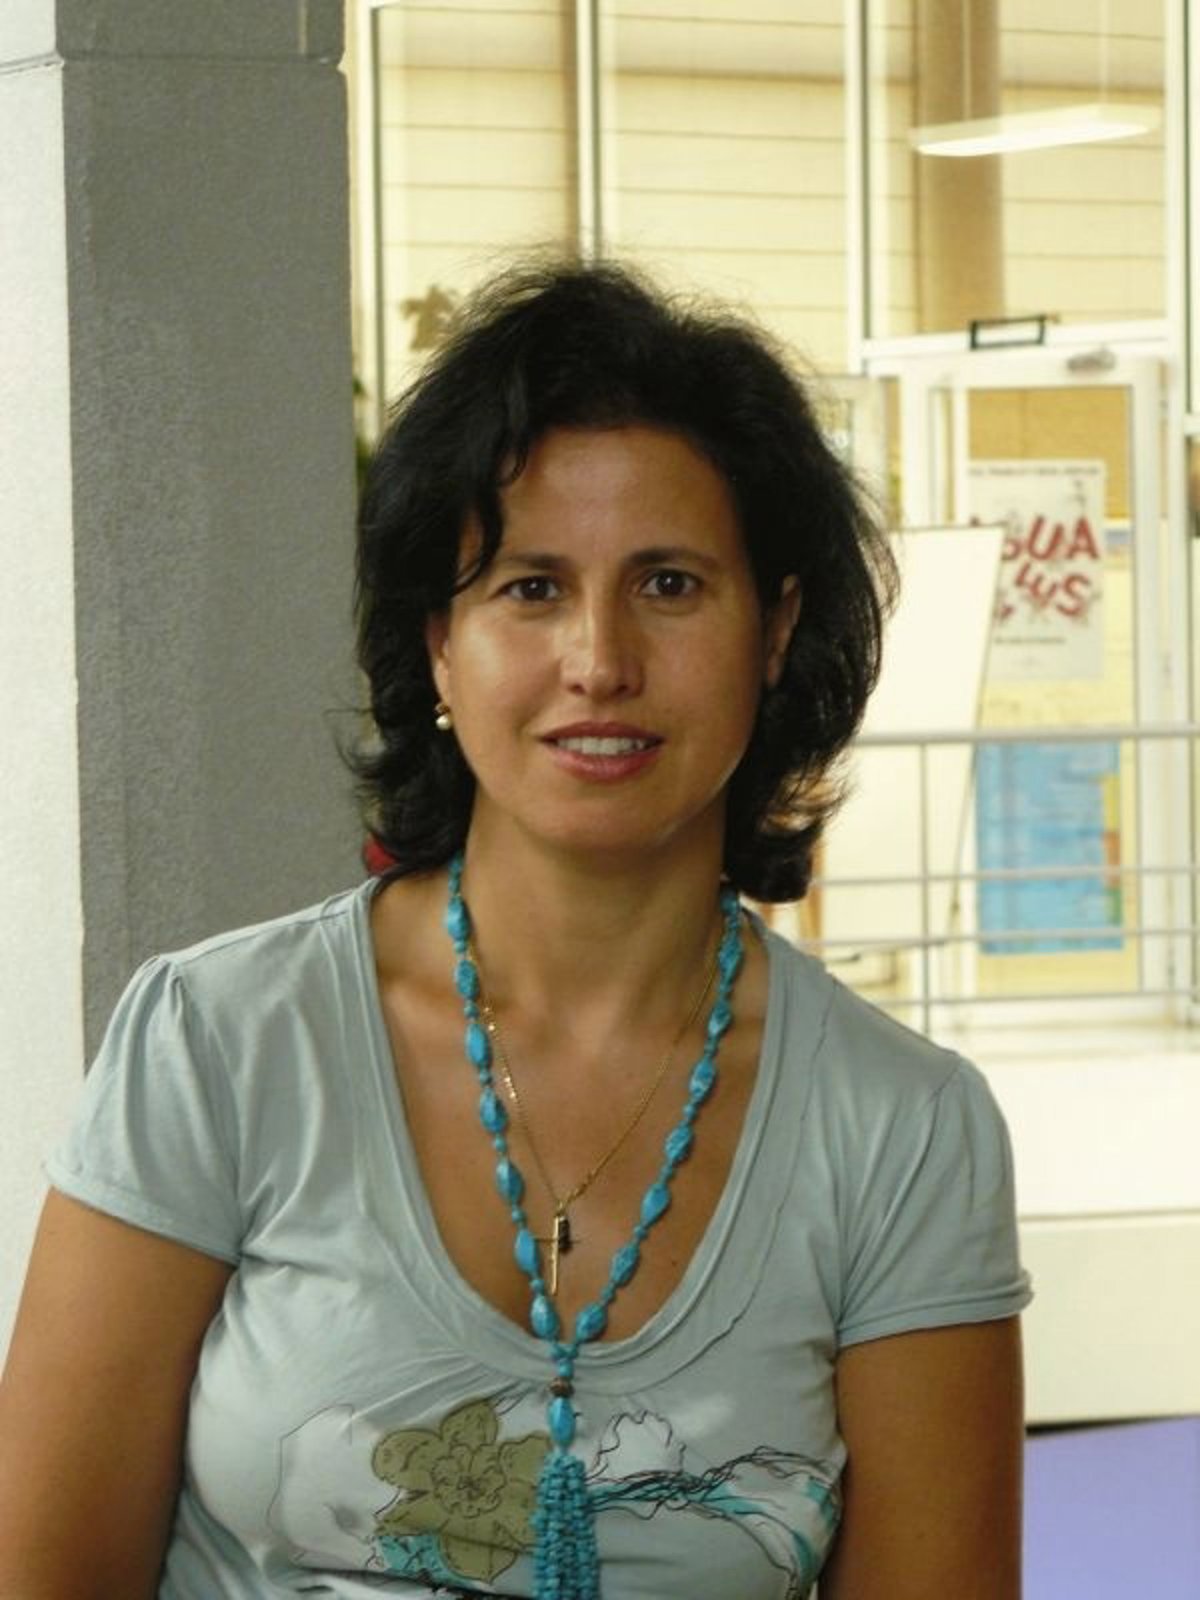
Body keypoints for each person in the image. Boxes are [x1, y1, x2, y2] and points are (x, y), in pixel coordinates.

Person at [0, 260, 1030, 1599]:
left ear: (775, 631)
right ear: (440, 642)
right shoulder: (218, 1043)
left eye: (670, 584)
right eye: (531, 588)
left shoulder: (904, 1130)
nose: (598, 662)